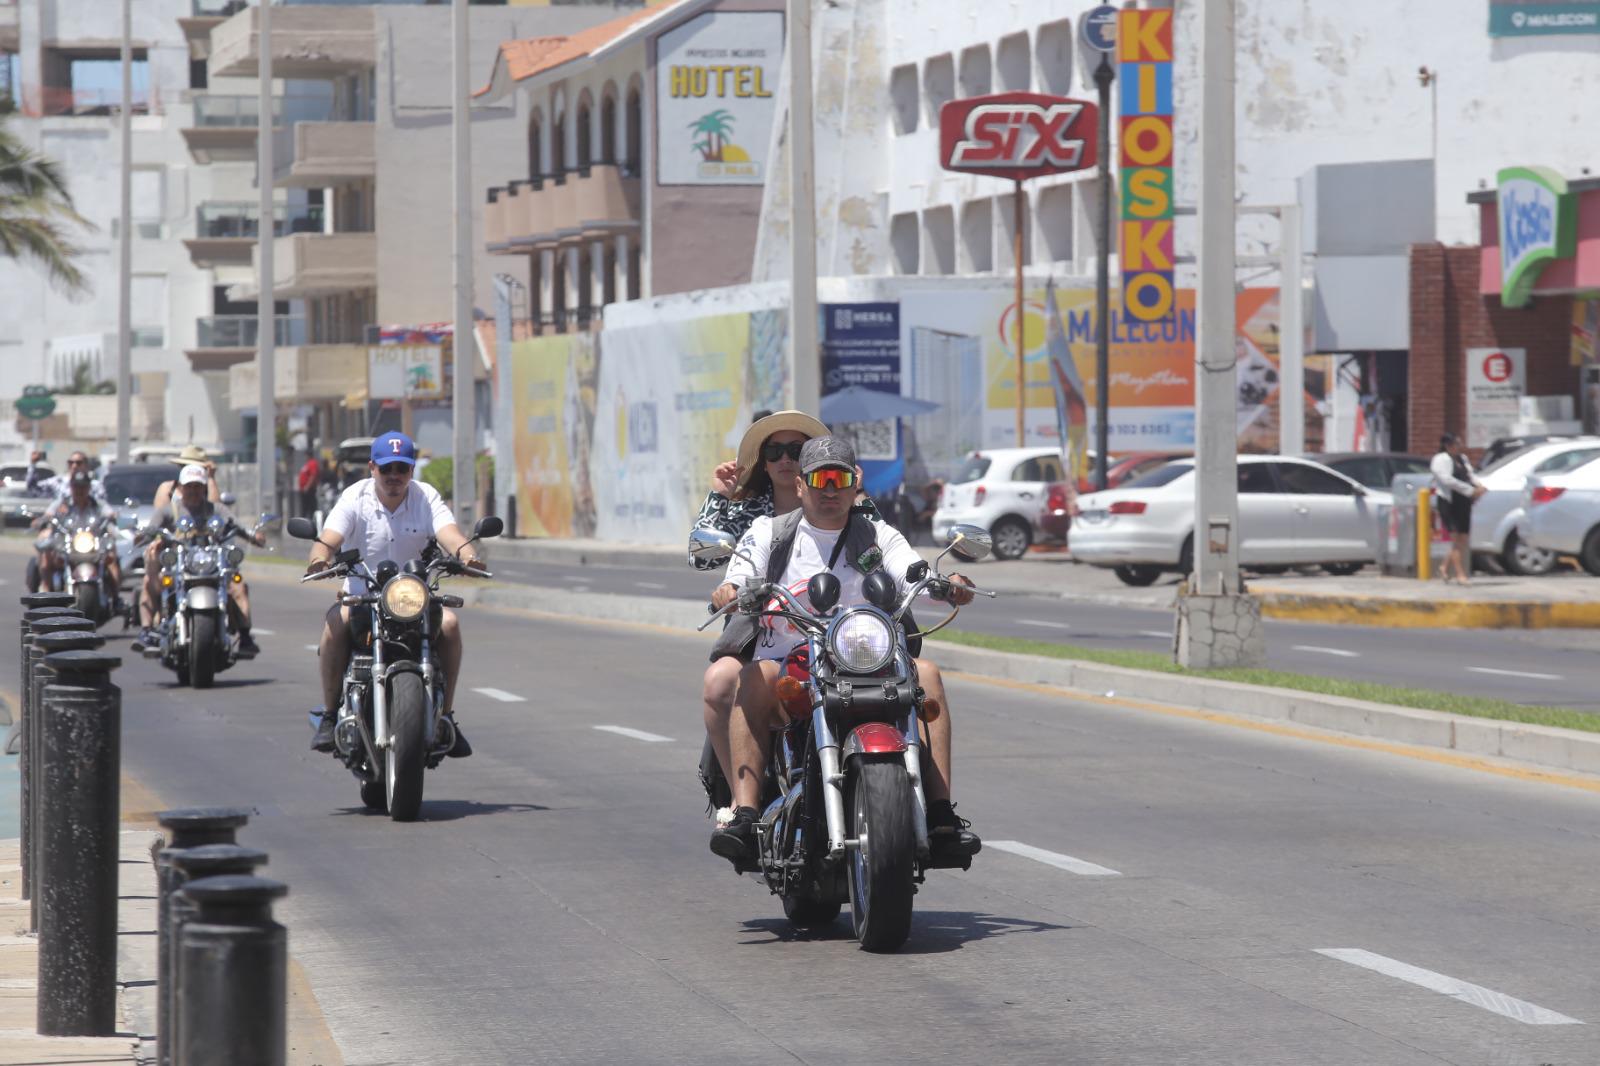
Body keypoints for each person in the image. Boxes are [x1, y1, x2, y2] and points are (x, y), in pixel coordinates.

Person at [706, 436, 981, 867]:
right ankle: (745, 813)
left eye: (840, 478)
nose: (830, 489)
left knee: (926, 672)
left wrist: (948, 587)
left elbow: (915, 575)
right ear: (800, 485)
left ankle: (942, 815)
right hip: (792, 661)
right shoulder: (770, 533)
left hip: (865, 660)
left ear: (857, 483)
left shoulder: (877, 535)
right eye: (819, 478)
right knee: (752, 677)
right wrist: (733, 589)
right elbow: (741, 573)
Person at [306, 432, 484, 756]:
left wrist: (468, 556)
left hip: (413, 599)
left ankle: (446, 718)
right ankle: (330, 716)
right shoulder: (354, 497)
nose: (394, 477)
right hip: (364, 597)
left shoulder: (425, 497)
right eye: (386, 469)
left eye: (401, 469)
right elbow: (329, 538)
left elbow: (451, 535)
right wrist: (320, 559)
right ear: (372, 468)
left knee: (452, 624)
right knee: (334, 624)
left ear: (411, 470)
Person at [138, 464, 266, 654]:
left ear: (204, 487)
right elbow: (150, 530)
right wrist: (148, 538)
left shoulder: (217, 509)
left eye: (197, 486)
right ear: (180, 488)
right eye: (189, 486)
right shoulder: (168, 511)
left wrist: (254, 536)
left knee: (239, 586)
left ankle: (245, 635)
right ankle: (146, 631)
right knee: (149, 581)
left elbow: (237, 526)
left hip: (211, 566)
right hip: (179, 567)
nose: (193, 491)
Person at [31, 469, 120, 597]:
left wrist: (114, 516)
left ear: (89, 487)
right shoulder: (62, 504)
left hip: (91, 545)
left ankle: (116, 597)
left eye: (83, 486)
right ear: (71, 487)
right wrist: (43, 520)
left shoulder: (97, 504)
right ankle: (46, 589)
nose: (80, 490)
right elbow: (48, 515)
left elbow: (110, 513)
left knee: (111, 557)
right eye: (76, 486)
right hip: (67, 543)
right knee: (46, 554)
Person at [1430, 432, 1485, 585]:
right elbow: (1447, 480)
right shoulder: (1439, 460)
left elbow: (1470, 474)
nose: (1459, 448)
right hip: (1449, 502)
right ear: (1448, 446)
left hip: (1463, 502)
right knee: (1455, 538)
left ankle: (1443, 567)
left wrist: (1479, 486)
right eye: (1456, 445)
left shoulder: (1462, 458)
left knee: (1463, 539)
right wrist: (1469, 490)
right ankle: (1460, 574)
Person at [297, 452, 321, 519]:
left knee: (310, 508)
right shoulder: (307, 464)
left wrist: (307, 486)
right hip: (304, 490)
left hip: (309, 489)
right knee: (304, 508)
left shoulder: (312, 463)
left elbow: (313, 475)